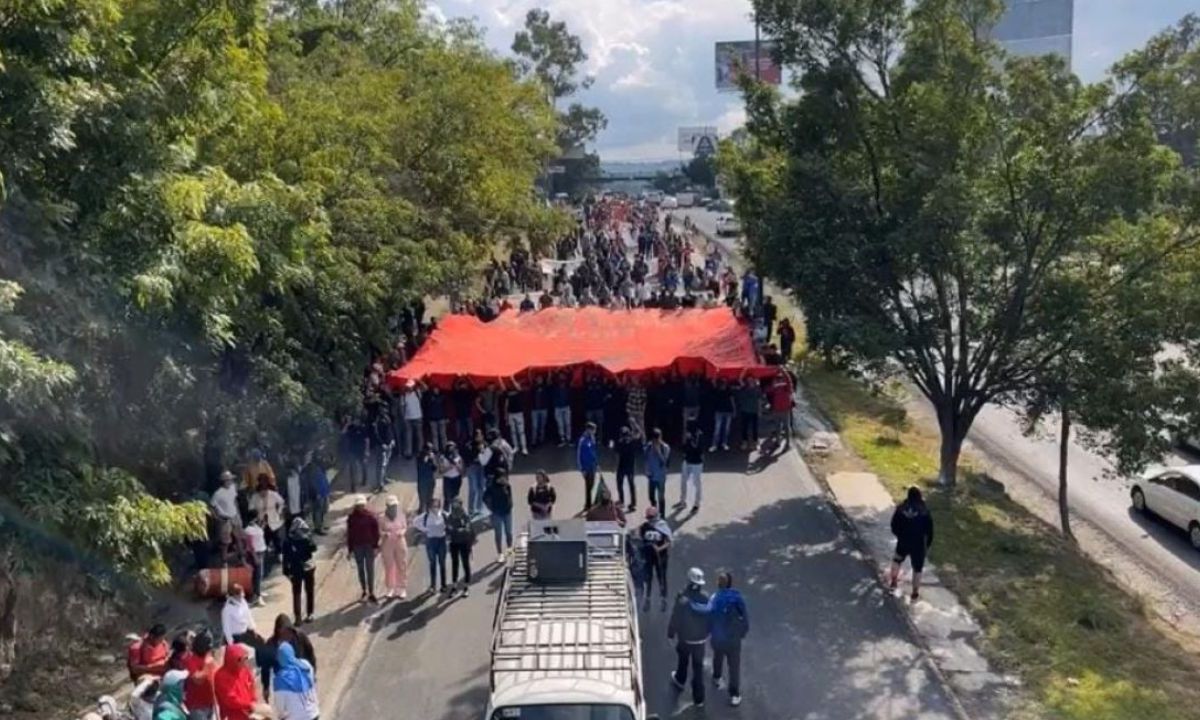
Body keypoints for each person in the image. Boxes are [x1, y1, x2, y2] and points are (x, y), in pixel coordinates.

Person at [668, 567, 711, 708]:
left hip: (685, 639)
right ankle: (699, 699)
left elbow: (676, 617)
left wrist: (671, 633)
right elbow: (711, 617)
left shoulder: (683, 597)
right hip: (701, 641)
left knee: (683, 662)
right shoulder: (706, 597)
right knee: (698, 668)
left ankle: (680, 681)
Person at [709, 571, 749, 706]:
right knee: (734, 667)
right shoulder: (737, 598)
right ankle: (734, 694)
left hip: (718, 638)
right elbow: (745, 618)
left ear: (718, 584)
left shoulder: (714, 598)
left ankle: (716, 676)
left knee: (718, 657)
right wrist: (741, 633)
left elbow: (709, 617)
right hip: (733, 639)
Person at [888, 486, 935, 601]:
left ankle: (893, 582)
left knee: (897, 560)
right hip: (918, 544)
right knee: (917, 569)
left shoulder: (901, 508)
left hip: (903, 541)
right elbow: (930, 530)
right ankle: (914, 594)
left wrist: (899, 535)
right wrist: (927, 544)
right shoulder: (924, 511)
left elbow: (893, 525)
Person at [214, 643, 270, 720]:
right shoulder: (221, 676)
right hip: (232, 716)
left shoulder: (244, 670)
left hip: (249, 714)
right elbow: (230, 699)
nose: (244, 662)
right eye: (240, 660)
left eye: (245, 658)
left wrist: (254, 704)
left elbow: (251, 687)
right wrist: (249, 705)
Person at [282, 517, 318, 623]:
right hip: (308, 568)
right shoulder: (306, 539)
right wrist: (309, 536)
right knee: (309, 591)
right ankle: (310, 614)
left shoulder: (287, 541)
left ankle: (298, 618)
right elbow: (314, 548)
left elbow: (285, 557)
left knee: (296, 593)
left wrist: (286, 571)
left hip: (295, 569)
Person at [272, 642, 320, 720]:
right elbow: (313, 685)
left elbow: (280, 706)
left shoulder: (280, 679)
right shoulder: (305, 665)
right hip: (313, 713)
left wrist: (281, 716)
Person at [346, 495, 380, 603]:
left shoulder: (370, 517)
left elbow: (376, 533)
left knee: (370, 569)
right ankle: (364, 590)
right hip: (357, 547)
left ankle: (371, 592)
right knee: (361, 569)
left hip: (368, 546)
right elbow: (350, 534)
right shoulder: (351, 518)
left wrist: (375, 546)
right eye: (359, 505)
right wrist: (350, 550)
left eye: (362, 505)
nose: (360, 507)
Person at [638, 507, 672, 612]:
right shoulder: (644, 527)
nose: (650, 520)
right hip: (648, 557)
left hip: (660, 557)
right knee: (648, 578)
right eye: (648, 517)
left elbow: (668, 541)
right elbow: (640, 539)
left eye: (651, 517)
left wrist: (659, 548)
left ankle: (663, 600)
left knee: (661, 578)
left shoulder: (662, 526)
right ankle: (647, 600)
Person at [413, 497, 449, 594]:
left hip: (442, 540)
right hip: (431, 541)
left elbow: (450, 522)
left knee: (442, 563)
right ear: (430, 507)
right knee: (432, 563)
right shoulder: (425, 516)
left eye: (437, 506)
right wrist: (425, 529)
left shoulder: (444, 515)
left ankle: (443, 585)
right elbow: (415, 522)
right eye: (433, 506)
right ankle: (433, 586)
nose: (435, 508)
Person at [249, 476, 286, 562]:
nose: (263, 494)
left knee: (276, 537)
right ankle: (264, 554)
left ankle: (279, 553)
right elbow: (250, 507)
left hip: (273, 519)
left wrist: (279, 511)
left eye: (265, 492)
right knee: (264, 537)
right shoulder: (255, 497)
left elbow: (281, 502)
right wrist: (256, 512)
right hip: (261, 521)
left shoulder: (273, 494)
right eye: (261, 492)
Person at [182, 630, 217, 720]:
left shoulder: (209, 657)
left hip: (210, 703)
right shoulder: (190, 660)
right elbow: (197, 680)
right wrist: (207, 666)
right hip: (197, 707)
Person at [380, 494, 409, 600]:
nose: (393, 508)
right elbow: (380, 530)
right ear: (387, 506)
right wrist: (384, 533)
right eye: (391, 506)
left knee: (402, 564)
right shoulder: (382, 517)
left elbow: (405, 527)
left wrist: (402, 532)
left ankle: (402, 588)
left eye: (395, 506)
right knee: (389, 566)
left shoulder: (401, 515)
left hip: (400, 542)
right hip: (387, 544)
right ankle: (390, 588)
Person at [446, 498, 476, 597]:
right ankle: (454, 586)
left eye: (456, 504)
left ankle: (466, 586)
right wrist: (456, 530)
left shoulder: (465, 516)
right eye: (453, 504)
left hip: (465, 543)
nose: (455, 506)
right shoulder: (450, 517)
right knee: (455, 564)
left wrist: (457, 530)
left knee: (465, 563)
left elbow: (467, 529)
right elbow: (448, 529)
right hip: (454, 543)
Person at [483, 473, 514, 557]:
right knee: (498, 534)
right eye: (502, 477)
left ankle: (509, 550)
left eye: (504, 477)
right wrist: (491, 508)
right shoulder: (491, 487)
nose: (504, 479)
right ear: (497, 478)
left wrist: (510, 505)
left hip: (507, 513)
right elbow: (484, 498)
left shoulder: (507, 486)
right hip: (497, 514)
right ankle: (500, 553)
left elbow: (510, 496)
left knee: (509, 533)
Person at [644, 428, 670, 516]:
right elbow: (646, 459)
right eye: (654, 440)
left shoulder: (665, 448)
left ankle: (662, 516)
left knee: (661, 497)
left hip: (661, 477)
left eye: (657, 439)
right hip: (651, 476)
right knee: (651, 496)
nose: (655, 442)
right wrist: (647, 470)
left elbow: (665, 462)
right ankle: (654, 513)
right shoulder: (649, 446)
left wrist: (658, 452)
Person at [242, 511, 267, 606]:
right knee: (257, 575)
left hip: (261, 552)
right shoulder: (248, 530)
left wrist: (263, 524)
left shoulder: (256, 527)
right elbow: (250, 545)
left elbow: (260, 534)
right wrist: (255, 557)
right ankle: (256, 596)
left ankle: (258, 592)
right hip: (256, 554)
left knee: (260, 574)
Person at [678, 424, 704, 513]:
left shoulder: (700, 436)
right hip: (687, 461)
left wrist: (691, 439)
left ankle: (697, 504)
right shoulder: (687, 436)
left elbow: (698, 448)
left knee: (697, 483)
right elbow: (684, 447)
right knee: (683, 481)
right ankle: (682, 500)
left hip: (697, 463)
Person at [368, 411, 395, 492]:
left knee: (385, 463)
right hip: (382, 446)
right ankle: (380, 485)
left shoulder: (387, 419)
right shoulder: (376, 423)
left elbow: (390, 430)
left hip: (389, 444)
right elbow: (376, 435)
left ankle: (384, 478)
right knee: (381, 466)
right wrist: (382, 444)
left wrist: (392, 440)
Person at [614, 425, 640, 511]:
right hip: (631, 467)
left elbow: (617, 456)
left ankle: (622, 501)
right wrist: (634, 423)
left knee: (619, 484)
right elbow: (639, 433)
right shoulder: (633, 441)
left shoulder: (619, 442)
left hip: (621, 466)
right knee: (631, 485)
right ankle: (633, 503)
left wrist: (614, 467)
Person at [577, 421, 600, 511]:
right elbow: (578, 455)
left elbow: (594, 452)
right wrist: (581, 469)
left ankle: (588, 503)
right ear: (588, 430)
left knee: (592, 484)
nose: (594, 432)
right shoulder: (582, 440)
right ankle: (588, 505)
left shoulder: (592, 438)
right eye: (593, 430)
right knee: (588, 486)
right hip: (586, 468)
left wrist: (597, 464)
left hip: (593, 467)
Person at [503, 379, 529, 456]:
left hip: (519, 413)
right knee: (513, 432)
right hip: (511, 414)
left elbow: (518, 387)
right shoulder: (508, 393)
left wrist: (512, 378)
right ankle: (516, 447)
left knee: (521, 432)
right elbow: (506, 405)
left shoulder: (520, 392)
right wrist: (506, 416)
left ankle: (524, 448)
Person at [736, 377, 762, 450]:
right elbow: (740, 380)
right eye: (748, 380)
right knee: (744, 427)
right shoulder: (743, 388)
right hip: (745, 410)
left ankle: (755, 442)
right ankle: (745, 442)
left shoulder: (758, 389)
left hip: (754, 411)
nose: (750, 381)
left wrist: (760, 410)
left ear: (754, 380)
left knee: (755, 428)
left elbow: (759, 400)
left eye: (751, 380)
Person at [709, 379, 735, 452]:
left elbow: (732, 401)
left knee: (726, 429)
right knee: (717, 429)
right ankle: (714, 444)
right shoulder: (716, 391)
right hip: (719, 411)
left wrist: (734, 410)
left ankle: (724, 443)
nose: (723, 385)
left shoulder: (729, 391)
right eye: (722, 384)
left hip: (727, 411)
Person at [466, 429, 487, 517]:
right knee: (473, 488)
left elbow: (487, 455)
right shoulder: (470, 445)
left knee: (482, 488)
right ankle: (471, 509)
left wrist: (482, 450)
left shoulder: (484, 445)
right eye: (477, 436)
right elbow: (468, 456)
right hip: (472, 467)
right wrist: (477, 452)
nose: (479, 437)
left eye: (481, 435)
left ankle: (479, 508)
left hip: (481, 467)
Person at [400, 380, 424, 458]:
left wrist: (419, 381)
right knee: (408, 436)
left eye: (411, 386)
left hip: (418, 416)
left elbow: (425, 388)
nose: (409, 388)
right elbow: (402, 407)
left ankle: (420, 451)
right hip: (408, 418)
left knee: (419, 435)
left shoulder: (417, 392)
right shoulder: (403, 395)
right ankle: (408, 452)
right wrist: (403, 417)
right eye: (408, 386)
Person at [415, 441, 438, 513]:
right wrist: (427, 458)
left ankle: (428, 514)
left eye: (431, 450)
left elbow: (435, 468)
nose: (430, 451)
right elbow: (421, 464)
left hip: (431, 480)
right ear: (424, 450)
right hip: (422, 482)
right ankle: (421, 514)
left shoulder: (432, 456)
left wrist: (433, 460)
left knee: (429, 499)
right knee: (422, 501)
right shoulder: (419, 456)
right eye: (428, 450)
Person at [440, 442, 465, 506]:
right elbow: (441, 471)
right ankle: (446, 512)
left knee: (455, 497)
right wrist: (449, 467)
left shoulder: (458, 457)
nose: (451, 450)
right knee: (447, 498)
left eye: (453, 448)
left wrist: (457, 466)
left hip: (457, 479)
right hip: (447, 479)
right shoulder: (443, 458)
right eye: (449, 448)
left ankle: (455, 512)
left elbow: (462, 472)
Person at [425, 385, 448, 451]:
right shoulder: (429, 397)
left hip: (441, 418)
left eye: (437, 389)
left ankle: (445, 449)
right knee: (434, 436)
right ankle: (436, 449)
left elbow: (445, 408)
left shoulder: (442, 396)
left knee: (443, 435)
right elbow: (427, 407)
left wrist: (446, 417)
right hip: (433, 419)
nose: (436, 390)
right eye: (435, 389)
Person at [530, 374, 551, 447]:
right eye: (538, 379)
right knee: (535, 426)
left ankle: (541, 440)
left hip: (543, 409)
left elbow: (549, 380)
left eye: (540, 378)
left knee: (542, 426)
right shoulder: (533, 387)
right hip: (535, 410)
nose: (539, 380)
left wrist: (549, 372)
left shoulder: (545, 387)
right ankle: (534, 441)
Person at [552, 374, 572, 446]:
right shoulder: (555, 386)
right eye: (561, 376)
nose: (562, 377)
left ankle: (568, 439)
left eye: (563, 376)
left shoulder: (568, 385)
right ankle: (562, 439)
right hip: (558, 407)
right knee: (560, 425)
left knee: (567, 424)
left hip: (566, 406)